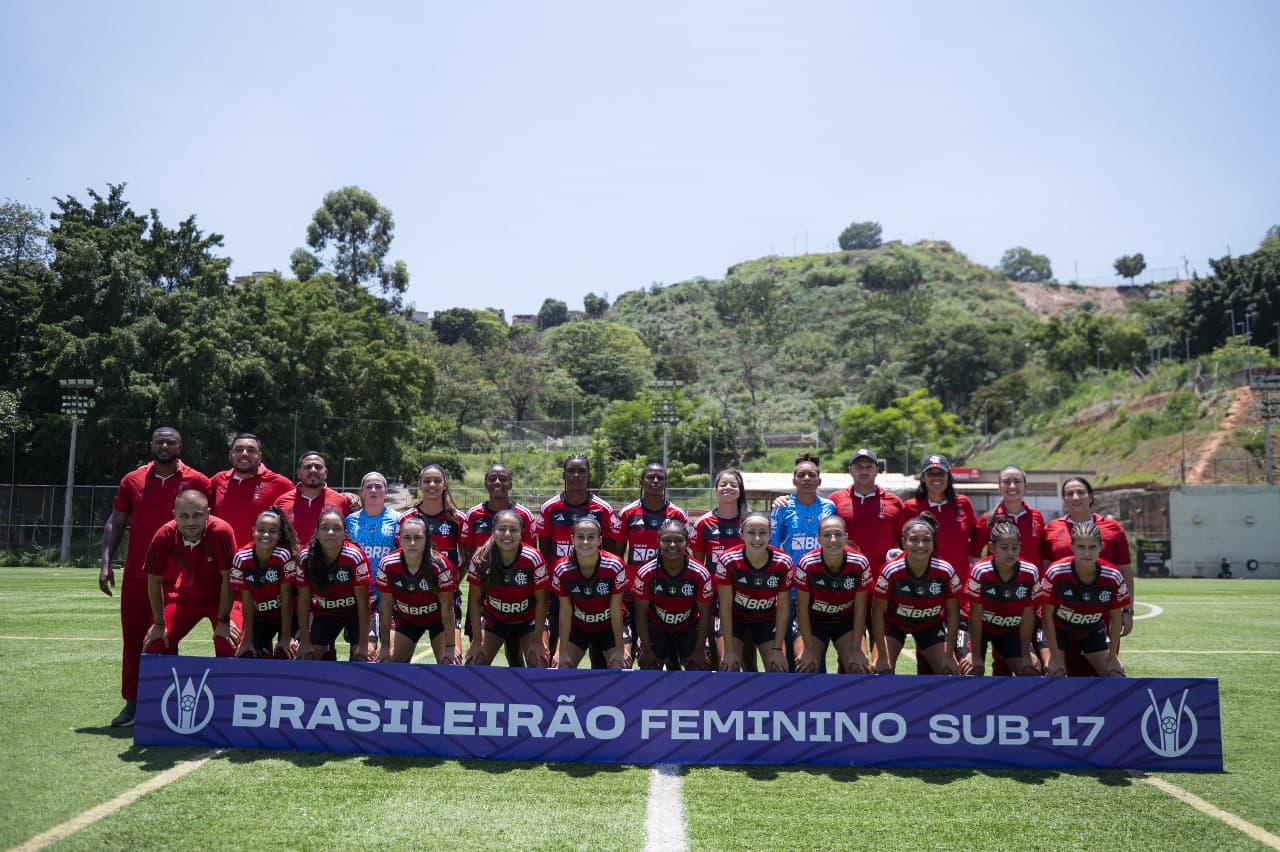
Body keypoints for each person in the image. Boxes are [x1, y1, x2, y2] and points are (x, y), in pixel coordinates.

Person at [99, 426, 210, 727]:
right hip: (138, 574)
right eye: (159, 441)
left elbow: (211, 524)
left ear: (180, 446)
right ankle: (133, 703)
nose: (164, 446)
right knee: (133, 639)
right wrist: (106, 562)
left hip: (178, 578)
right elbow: (117, 520)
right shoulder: (132, 480)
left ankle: (164, 702)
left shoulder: (198, 480)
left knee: (165, 638)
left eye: (170, 442)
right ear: (151, 445)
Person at [537, 455, 617, 665]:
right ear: (563, 475)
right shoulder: (550, 508)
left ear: (589, 475)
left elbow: (609, 551)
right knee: (557, 649)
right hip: (560, 588)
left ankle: (598, 696)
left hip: (595, 588)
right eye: (571, 471)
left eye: (581, 471)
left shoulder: (602, 509)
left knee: (599, 656)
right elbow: (544, 552)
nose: (576, 475)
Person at [141, 490, 238, 660]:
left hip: (224, 599)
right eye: (184, 516)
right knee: (156, 643)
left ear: (208, 514)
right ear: (174, 515)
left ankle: (228, 686)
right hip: (187, 596)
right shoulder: (164, 534)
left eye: (197, 515)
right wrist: (158, 623)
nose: (191, 522)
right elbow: (154, 580)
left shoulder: (222, 531)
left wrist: (223, 620)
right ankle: (168, 686)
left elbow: (228, 579)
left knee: (228, 643)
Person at [969, 464, 1047, 675]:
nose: (1012, 486)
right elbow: (974, 556)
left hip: (1028, 599)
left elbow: (1044, 556)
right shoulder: (988, 518)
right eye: (1006, 481)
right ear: (999, 487)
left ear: (1025, 486)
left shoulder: (1037, 517)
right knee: (998, 663)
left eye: (1017, 481)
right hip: (996, 601)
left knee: (1031, 662)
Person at [902, 454, 976, 674]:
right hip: (926, 596)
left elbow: (974, 541)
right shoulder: (911, 508)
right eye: (930, 473)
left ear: (948, 476)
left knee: (963, 662)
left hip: (960, 596)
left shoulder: (963, 504)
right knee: (927, 664)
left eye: (941, 473)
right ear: (923, 478)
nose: (936, 478)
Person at [459, 463, 537, 666]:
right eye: (492, 478)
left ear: (510, 484)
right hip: (483, 588)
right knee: (476, 652)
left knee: (515, 651)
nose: (497, 482)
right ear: (485, 482)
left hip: (517, 591)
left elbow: (529, 551)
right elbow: (467, 552)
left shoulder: (525, 515)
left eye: (503, 479)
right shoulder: (474, 514)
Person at [1041, 476, 1134, 641]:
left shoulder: (1113, 529)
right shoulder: (1051, 528)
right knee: (1061, 665)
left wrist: (1127, 611)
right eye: (1069, 493)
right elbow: (1045, 571)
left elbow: (1125, 572)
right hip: (1062, 615)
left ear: (1091, 497)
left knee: (1105, 666)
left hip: (1101, 612)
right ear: (1064, 499)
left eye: (1080, 492)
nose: (1075, 497)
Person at [611, 462, 688, 660]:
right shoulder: (627, 513)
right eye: (650, 477)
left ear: (666, 483)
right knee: (629, 651)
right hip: (632, 593)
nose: (655, 481)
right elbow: (618, 557)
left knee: (663, 653)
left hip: (664, 591)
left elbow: (684, 555)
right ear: (641, 482)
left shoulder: (677, 514)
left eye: (660, 478)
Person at [871, 513, 961, 676]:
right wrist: (882, 657)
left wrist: (949, 656)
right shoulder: (890, 570)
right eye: (914, 539)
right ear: (904, 542)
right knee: (880, 671)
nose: (920, 545)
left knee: (949, 672)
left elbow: (954, 613)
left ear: (933, 543)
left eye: (926, 540)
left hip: (930, 625)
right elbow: (877, 612)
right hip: (894, 625)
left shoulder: (945, 570)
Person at [769, 452, 835, 669]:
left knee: (816, 654)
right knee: (791, 655)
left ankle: (818, 701)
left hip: (819, 591)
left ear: (819, 480)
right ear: (794, 479)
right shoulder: (782, 507)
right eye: (801, 475)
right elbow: (772, 548)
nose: (806, 478)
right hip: (790, 592)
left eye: (811, 475)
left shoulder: (829, 507)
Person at [1039, 520, 1128, 677]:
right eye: (1081, 547)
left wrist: (1113, 657)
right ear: (1072, 547)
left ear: (1101, 547)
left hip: (1091, 629)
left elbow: (1115, 617)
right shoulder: (1056, 573)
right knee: (1056, 672)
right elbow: (1046, 616)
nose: (1087, 553)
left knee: (1115, 674)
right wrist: (1054, 657)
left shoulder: (1113, 576)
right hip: (1057, 629)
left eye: (1092, 547)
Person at [464, 509, 549, 667]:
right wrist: (476, 639)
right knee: (474, 661)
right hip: (495, 618)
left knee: (538, 660)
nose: (507, 534)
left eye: (514, 530)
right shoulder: (480, 558)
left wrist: (537, 640)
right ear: (493, 531)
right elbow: (474, 600)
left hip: (527, 619)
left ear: (522, 533)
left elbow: (542, 601)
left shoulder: (533, 558)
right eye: (502, 529)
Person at [792, 516, 873, 674]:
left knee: (857, 667)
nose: (833, 540)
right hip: (813, 620)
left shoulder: (859, 562)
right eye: (827, 535)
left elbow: (861, 608)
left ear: (846, 537)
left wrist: (856, 647)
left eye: (838, 534)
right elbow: (801, 608)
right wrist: (808, 648)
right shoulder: (806, 563)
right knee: (807, 666)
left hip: (845, 620)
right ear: (819, 539)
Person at [374, 515, 460, 664]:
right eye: (407, 537)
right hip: (405, 618)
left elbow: (447, 609)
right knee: (385, 662)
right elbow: (386, 607)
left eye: (418, 538)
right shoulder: (387, 564)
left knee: (450, 663)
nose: (412, 543)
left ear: (427, 539)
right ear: (399, 539)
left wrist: (451, 646)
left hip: (438, 619)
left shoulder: (440, 564)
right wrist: (385, 645)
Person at [632, 520, 714, 671]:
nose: (672, 545)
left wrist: (699, 650)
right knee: (650, 665)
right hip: (656, 627)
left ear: (687, 541)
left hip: (688, 628)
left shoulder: (700, 573)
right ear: (658, 542)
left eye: (678, 540)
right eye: (666, 540)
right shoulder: (646, 572)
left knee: (697, 665)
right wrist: (646, 650)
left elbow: (705, 613)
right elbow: (640, 613)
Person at [715, 512, 792, 673]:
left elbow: (784, 607)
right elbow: (725, 606)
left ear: (771, 534)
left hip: (766, 619)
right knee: (729, 667)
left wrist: (777, 650)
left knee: (779, 668)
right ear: (741, 534)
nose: (757, 539)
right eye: (751, 532)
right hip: (736, 619)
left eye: (763, 533)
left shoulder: (783, 562)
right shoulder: (728, 559)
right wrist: (729, 650)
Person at [398, 464, 466, 643]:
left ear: (445, 484)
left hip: (444, 598)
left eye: (437, 480)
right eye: (427, 481)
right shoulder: (406, 519)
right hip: (412, 597)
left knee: (452, 662)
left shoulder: (457, 518)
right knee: (390, 658)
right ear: (419, 485)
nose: (432, 485)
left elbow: (466, 559)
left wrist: (450, 583)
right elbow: (399, 558)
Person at [292, 508, 372, 661]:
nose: (330, 533)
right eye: (325, 528)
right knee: (306, 656)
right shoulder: (305, 558)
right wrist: (305, 642)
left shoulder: (354, 556)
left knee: (364, 658)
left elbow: (363, 602)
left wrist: (363, 645)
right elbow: (303, 601)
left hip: (355, 614)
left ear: (345, 533)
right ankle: (327, 654)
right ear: (316, 532)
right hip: (324, 614)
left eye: (337, 529)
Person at [689, 469, 749, 668]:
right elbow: (699, 567)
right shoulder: (703, 524)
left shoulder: (749, 523)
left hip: (748, 596)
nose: (728, 488)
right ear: (715, 490)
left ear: (740, 491)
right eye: (723, 484)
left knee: (748, 658)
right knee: (718, 659)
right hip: (714, 599)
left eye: (733, 484)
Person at [965, 517, 1040, 677]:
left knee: (1030, 671)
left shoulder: (1030, 572)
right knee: (972, 670)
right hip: (979, 627)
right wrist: (976, 655)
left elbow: (1028, 616)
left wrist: (1026, 655)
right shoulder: (980, 571)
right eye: (1004, 547)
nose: (1010, 553)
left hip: (1009, 629)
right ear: (992, 547)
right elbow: (976, 614)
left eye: (1015, 548)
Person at [551, 517, 628, 669]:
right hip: (579, 626)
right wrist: (563, 651)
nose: (585, 542)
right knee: (561, 666)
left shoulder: (615, 565)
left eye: (591, 537)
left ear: (599, 540)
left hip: (609, 627)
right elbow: (566, 612)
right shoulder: (562, 568)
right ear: (572, 539)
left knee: (620, 665)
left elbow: (616, 609)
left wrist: (620, 649)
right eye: (580, 537)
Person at [345, 471, 401, 662]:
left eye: (378, 486)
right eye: (368, 486)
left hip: (389, 595)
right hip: (359, 596)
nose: (373, 490)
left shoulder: (398, 519)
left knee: (389, 654)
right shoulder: (349, 520)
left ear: (386, 491)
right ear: (361, 492)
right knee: (360, 653)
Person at [229, 506, 299, 658]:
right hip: (261, 616)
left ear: (279, 535)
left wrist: (286, 638)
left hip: (288, 616)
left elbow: (286, 599)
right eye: (261, 529)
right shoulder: (241, 557)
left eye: (273, 531)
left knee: (285, 653)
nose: (266, 534)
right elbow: (246, 599)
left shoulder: (283, 556)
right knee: (247, 653)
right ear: (253, 531)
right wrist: (247, 639)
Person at [209, 433, 293, 549]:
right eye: (238, 450)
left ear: (259, 456)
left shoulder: (280, 484)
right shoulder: (218, 480)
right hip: (222, 558)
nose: (244, 454)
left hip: (259, 560)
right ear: (230, 455)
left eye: (251, 450)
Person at [828, 449, 905, 575]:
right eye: (858, 467)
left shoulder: (894, 502)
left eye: (869, 467)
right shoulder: (834, 500)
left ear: (877, 470)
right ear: (850, 470)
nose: (864, 471)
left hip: (883, 578)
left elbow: (904, 543)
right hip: (844, 578)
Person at [276, 451, 354, 544]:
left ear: (325, 473)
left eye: (318, 467)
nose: (313, 470)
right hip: (291, 558)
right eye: (308, 467)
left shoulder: (342, 502)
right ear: (298, 473)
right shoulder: (281, 502)